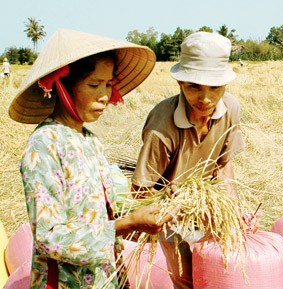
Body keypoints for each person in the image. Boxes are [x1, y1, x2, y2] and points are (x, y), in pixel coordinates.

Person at [8, 28, 173, 289]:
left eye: (108, 84)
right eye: (94, 85)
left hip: (106, 277)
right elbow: (49, 237)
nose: (105, 95)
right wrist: (126, 223)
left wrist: (153, 207)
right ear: (62, 87)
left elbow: (102, 213)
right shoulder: (44, 146)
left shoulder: (91, 141)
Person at [131, 31, 245, 288]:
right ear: (180, 83)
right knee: (188, 278)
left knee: (221, 270)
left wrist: (233, 209)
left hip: (211, 205)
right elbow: (141, 189)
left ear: (225, 85)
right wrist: (170, 211)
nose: (205, 98)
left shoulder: (231, 109)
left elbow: (223, 165)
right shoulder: (162, 126)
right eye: (194, 86)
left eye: (214, 88)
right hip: (171, 211)